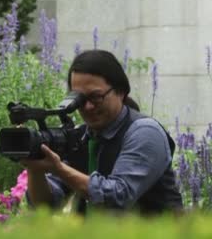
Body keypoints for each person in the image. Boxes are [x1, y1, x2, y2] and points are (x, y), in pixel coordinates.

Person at [22, 50, 183, 214]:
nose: (88, 107)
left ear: (120, 91)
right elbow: (46, 206)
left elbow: (118, 195)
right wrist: (35, 166)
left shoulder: (145, 132)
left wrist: (59, 168)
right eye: (80, 100)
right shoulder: (81, 137)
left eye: (96, 97)